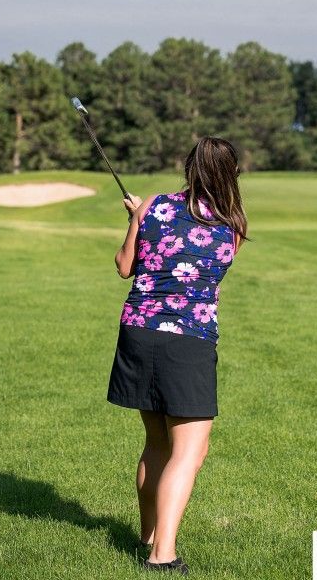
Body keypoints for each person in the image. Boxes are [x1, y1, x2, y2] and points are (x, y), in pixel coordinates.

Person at [106, 136, 248, 573]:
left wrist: (137, 219)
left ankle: (147, 534)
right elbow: (210, 266)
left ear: (189, 169)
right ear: (230, 175)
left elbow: (124, 265)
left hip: (138, 331)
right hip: (187, 340)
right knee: (190, 451)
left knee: (156, 443)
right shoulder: (233, 225)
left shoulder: (153, 206)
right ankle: (161, 554)